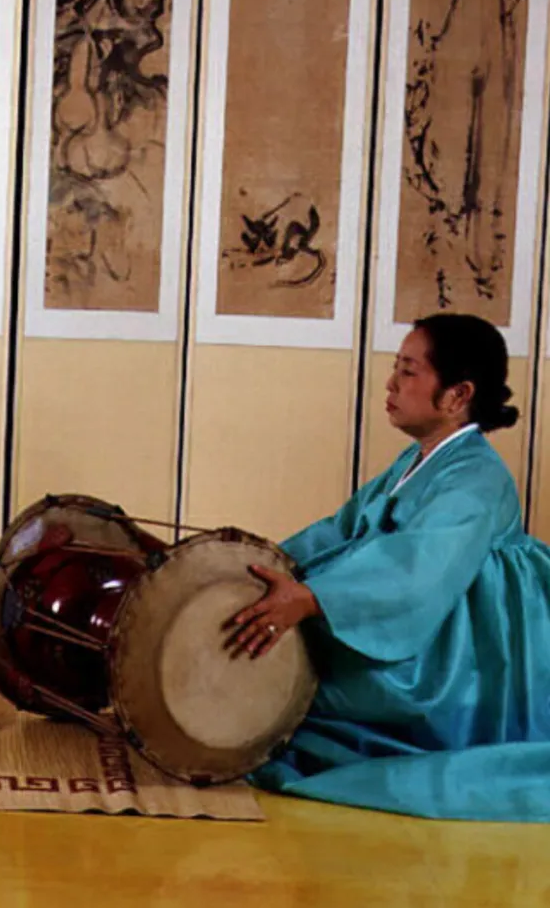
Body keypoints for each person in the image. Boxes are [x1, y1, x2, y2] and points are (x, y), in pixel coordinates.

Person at [224, 313, 550, 822]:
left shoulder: (477, 477)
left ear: (457, 395)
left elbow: (415, 570)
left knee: (312, 701)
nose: (391, 383)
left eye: (409, 371)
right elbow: (342, 529)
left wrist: (311, 599)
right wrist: (259, 563)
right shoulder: (418, 460)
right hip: (412, 620)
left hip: (460, 656)